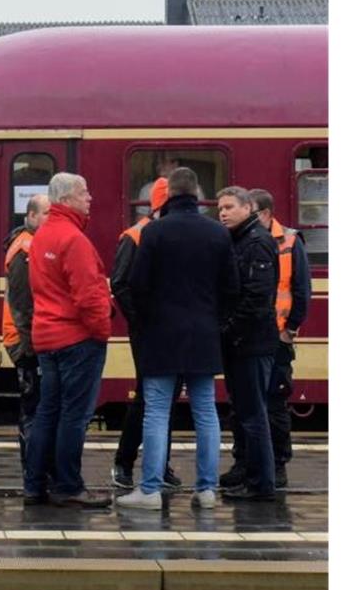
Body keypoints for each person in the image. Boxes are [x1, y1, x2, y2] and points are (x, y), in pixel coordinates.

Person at [116, 167, 239, 510]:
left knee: (156, 412)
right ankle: (206, 489)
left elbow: (137, 286)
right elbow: (232, 287)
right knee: (206, 411)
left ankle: (151, 489)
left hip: (160, 334)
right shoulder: (218, 234)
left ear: (168, 194)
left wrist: (146, 322)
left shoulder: (154, 232)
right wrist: (218, 321)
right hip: (204, 334)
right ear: (198, 195)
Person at [23, 173, 112, 508]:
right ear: (67, 199)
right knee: (75, 415)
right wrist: (102, 331)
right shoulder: (74, 240)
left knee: (48, 412)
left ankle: (35, 484)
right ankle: (68, 485)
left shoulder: (43, 234)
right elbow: (89, 296)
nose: (90, 198)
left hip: (46, 337)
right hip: (77, 338)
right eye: (84, 193)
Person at [228, 188, 312, 489]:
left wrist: (291, 329)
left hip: (276, 337)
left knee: (274, 403)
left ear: (262, 213)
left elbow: (302, 289)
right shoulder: (242, 241)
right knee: (243, 404)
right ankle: (243, 462)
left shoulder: (289, 240)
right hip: (253, 335)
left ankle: (277, 465)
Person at [108, 178, 183, 491]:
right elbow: (121, 284)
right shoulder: (136, 236)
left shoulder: (159, 233)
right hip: (148, 329)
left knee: (165, 396)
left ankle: (158, 464)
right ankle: (125, 461)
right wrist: (140, 322)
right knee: (149, 396)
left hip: (169, 327)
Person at [216, 186, 280, 501]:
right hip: (243, 343)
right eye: (220, 208)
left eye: (229, 206)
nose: (223, 213)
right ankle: (251, 476)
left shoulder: (257, 243)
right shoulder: (241, 240)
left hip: (252, 344)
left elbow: (257, 298)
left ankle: (260, 484)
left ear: (247, 208)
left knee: (254, 414)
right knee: (245, 412)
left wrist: (228, 330)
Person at [2, 194, 49, 470]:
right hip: (24, 342)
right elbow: (22, 307)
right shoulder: (24, 251)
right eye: (44, 214)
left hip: (27, 339)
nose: (49, 219)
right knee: (32, 407)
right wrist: (33, 348)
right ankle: (33, 470)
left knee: (34, 406)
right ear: (31, 216)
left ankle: (36, 468)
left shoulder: (31, 245)